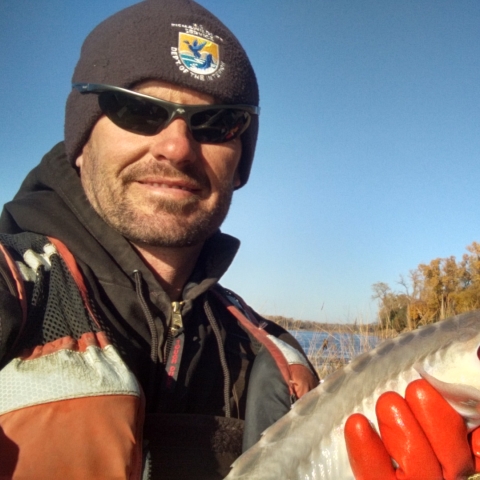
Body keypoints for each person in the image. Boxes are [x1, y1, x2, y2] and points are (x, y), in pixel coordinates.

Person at [0, 1, 318, 479]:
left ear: (239, 163)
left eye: (216, 122)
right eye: (139, 111)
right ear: (82, 142)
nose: (177, 147)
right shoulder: (14, 288)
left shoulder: (271, 359)